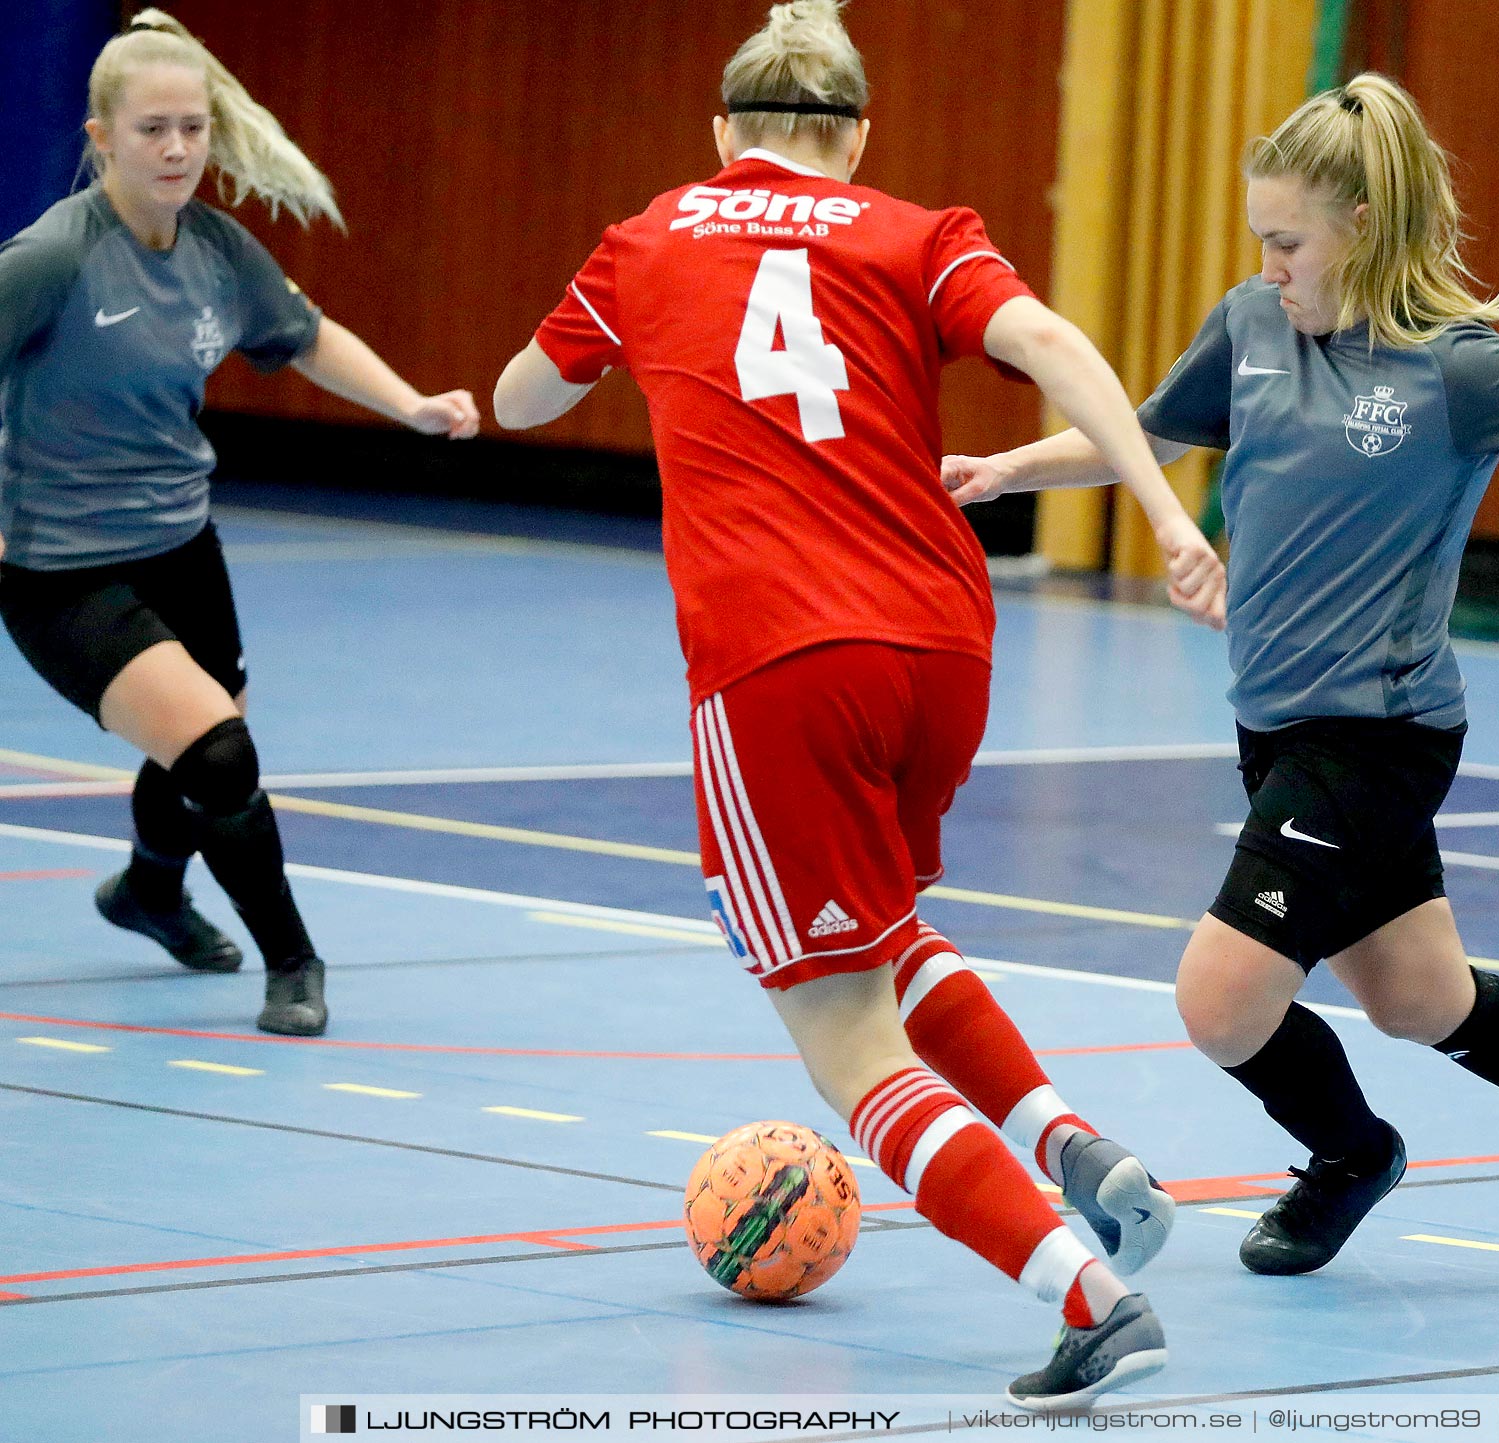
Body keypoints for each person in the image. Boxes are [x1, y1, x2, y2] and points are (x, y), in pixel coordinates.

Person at [495, 0, 1228, 1409]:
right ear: (858, 137)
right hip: (944, 640)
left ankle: (1084, 1287)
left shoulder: (648, 238)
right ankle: (1079, 1148)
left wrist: (572, 358)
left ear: (721, 134)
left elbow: (529, 398)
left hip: (781, 654)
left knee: (844, 1032)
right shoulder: (916, 229)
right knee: (885, 926)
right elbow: (1060, 346)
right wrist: (1158, 507)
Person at [944, 73, 1499, 1287]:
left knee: (1219, 999)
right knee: (1423, 1000)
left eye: (1288, 243)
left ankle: (1350, 1155)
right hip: (1276, 731)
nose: (1270, 266)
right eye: (1261, 242)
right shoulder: (1252, 327)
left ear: (1362, 228)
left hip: (1378, 736)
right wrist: (1007, 468)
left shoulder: (1463, 369)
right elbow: (1150, 433)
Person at [0, 11, 479, 1037]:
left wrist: (413, 404)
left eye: (194, 129)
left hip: (180, 543)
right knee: (218, 756)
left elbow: (303, 337)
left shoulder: (218, 251)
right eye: (152, 131)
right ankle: (294, 963)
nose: (178, 151)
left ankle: (147, 894)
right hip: (61, 570)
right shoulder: (51, 258)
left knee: (202, 758)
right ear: (99, 138)